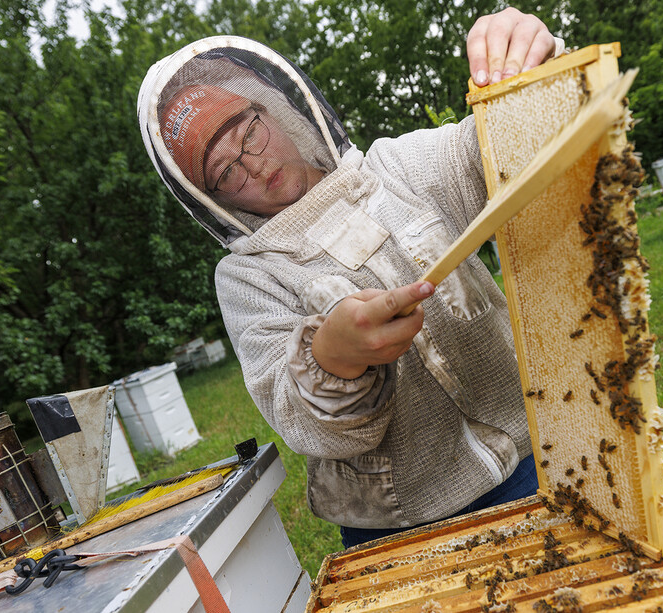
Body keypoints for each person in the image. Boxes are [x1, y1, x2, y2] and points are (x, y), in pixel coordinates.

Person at [137, 9, 564, 548]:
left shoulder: (398, 169)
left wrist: (527, 70)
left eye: (248, 132)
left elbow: (501, 152)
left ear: (277, 111)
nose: (252, 163)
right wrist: (331, 358)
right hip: (398, 525)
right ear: (213, 200)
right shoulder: (247, 276)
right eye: (225, 172)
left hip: (538, 455)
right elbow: (295, 412)